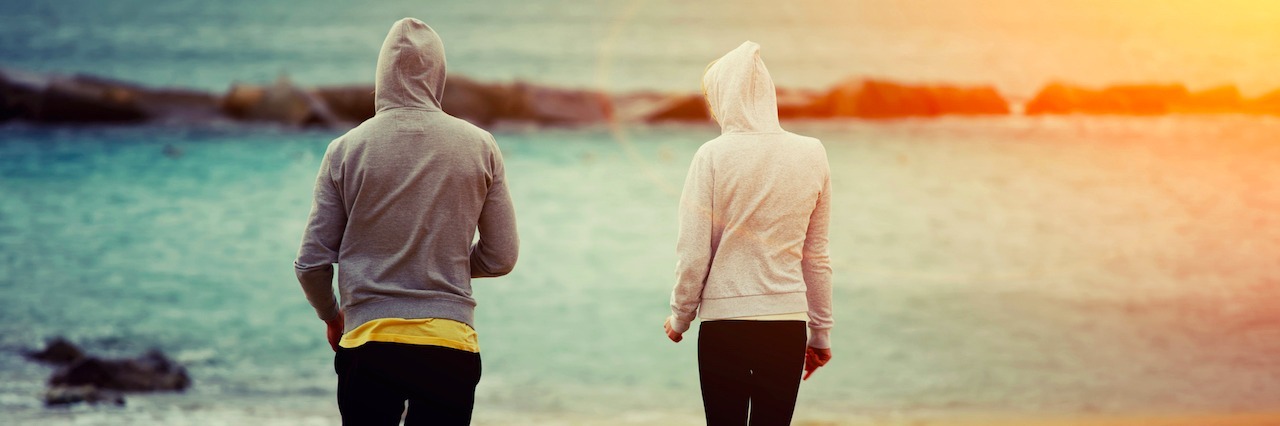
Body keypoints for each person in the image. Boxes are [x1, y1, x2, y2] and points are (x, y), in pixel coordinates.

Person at [294, 17, 518, 426]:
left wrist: (331, 315)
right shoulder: (480, 145)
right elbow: (501, 257)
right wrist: (439, 261)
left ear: (381, 77)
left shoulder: (344, 150)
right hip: (450, 346)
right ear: (439, 75)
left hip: (369, 343)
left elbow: (310, 264)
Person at [664, 41, 834, 426]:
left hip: (724, 328)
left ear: (725, 97)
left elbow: (693, 251)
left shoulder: (710, 155)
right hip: (787, 325)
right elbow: (816, 256)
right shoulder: (813, 152)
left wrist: (681, 316)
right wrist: (820, 334)